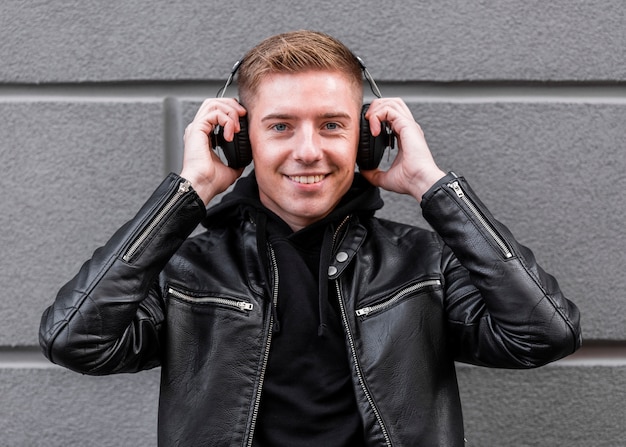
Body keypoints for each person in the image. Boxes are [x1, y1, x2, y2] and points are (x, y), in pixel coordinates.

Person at [39, 30, 581, 446]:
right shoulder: (187, 271)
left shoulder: (425, 263)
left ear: (367, 140)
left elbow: (543, 335)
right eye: (279, 126)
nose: (307, 150)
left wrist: (429, 185)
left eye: (331, 125)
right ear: (240, 141)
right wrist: (190, 191)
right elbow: (76, 342)